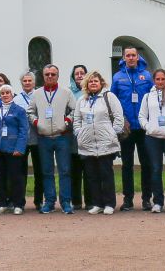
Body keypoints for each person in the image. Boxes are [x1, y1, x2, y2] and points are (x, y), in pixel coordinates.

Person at [74, 70, 126, 215]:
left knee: (106, 174)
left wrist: (112, 133)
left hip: (106, 143)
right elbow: (77, 119)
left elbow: (118, 117)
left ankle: (109, 203)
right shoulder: (82, 100)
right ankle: (97, 203)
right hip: (87, 143)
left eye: (96, 81)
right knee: (91, 175)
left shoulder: (109, 97)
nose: (93, 83)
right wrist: (79, 132)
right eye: (90, 81)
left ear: (101, 83)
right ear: (86, 84)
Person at [110, 45, 154, 211]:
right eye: (127, 55)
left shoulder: (147, 76)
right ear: (123, 58)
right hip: (126, 128)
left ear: (138, 57)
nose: (130, 58)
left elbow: (153, 98)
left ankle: (146, 199)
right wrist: (120, 119)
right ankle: (128, 199)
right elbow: (113, 101)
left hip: (143, 127)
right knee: (127, 165)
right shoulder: (118, 77)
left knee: (146, 163)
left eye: (133, 55)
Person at [30, 64, 75, 214]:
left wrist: (67, 121)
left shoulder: (66, 92)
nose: (50, 76)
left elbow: (74, 110)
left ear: (58, 76)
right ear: (43, 76)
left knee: (65, 170)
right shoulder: (36, 93)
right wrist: (37, 123)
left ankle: (66, 202)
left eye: (53, 74)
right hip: (44, 138)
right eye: (47, 74)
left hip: (62, 137)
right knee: (46, 171)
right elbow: (30, 111)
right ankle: (49, 201)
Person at [139, 68, 165, 213]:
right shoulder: (148, 97)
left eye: (163, 79)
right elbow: (142, 116)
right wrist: (148, 127)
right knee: (155, 170)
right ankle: (157, 201)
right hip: (153, 138)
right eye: (157, 79)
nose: (160, 82)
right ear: (154, 80)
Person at [0, 84, 30, 214]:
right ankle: (2, 203)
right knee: (0, 177)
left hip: (13, 149)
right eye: (2, 93)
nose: (5, 95)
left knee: (16, 177)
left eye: (7, 93)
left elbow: (24, 131)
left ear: (12, 94)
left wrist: (20, 148)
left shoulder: (19, 110)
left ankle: (18, 204)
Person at [16, 72, 41, 206]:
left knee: (39, 171)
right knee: (21, 172)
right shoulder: (16, 99)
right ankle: (20, 201)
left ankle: (39, 201)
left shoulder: (40, 96)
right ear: (21, 83)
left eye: (29, 80)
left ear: (34, 82)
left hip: (38, 138)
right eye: (24, 81)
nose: (27, 83)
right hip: (22, 141)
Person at [68, 63, 90, 211]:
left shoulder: (92, 91)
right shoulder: (68, 92)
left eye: (82, 73)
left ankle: (90, 201)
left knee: (89, 172)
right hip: (72, 138)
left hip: (88, 137)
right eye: (77, 73)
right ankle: (76, 201)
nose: (80, 75)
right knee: (74, 172)